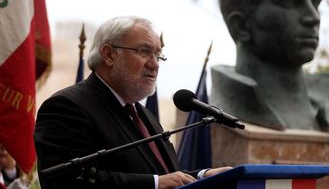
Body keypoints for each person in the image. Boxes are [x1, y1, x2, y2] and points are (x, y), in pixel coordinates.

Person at [34, 16, 231, 189]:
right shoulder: (67, 107)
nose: (154, 64)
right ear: (109, 55)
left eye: (157, 55)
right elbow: (65, 181)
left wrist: (201, 176)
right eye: (144, 51)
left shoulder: (143, 115)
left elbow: (162, 173)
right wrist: (154, 184)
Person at [211, 0, 329, 131]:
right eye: (291, 2)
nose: (313, 17)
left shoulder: (325, 113)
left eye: (315, 2)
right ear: (241, 25)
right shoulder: (218, 115)